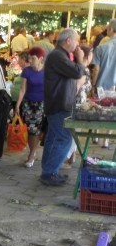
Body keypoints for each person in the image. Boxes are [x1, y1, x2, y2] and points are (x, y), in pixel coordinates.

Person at [40, 28, 85, 186]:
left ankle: (49, 171)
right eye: (76, 40)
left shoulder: (58, 55)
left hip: (58, 102)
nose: (77, 44)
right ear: (68, 41)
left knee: (53, 137)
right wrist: (81, 60)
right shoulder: (57, 56)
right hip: (58, 104)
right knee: (64, 137)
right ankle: (50, 171)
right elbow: (77, 73)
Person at [15, 47, 45, 168]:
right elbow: (22, 89)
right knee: (29, 129)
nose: (31, 61)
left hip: (41, 104)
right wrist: (18, 104)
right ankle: (32, 151)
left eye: (33, 58)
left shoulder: (47, 71)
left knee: (36, 130)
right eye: (30, 58)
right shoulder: (26, 71)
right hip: (28, 103)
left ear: (41, 59)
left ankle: (32, 154)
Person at [93, 19, 116, 93]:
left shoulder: (101, 47)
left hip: (101, 88)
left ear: (111, 29)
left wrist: (93, 86)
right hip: (114, 88)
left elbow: (96, 69)